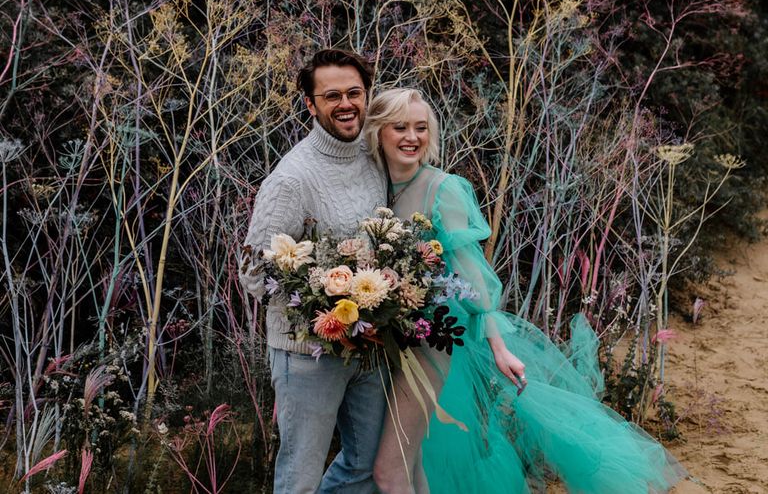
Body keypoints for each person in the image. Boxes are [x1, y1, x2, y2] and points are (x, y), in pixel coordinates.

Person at [364, 88, 686, 494]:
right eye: (400, 127)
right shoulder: (373, 188)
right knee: (417, 464)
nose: (412, 137)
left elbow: (473, 279)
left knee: (390, 469)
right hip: (384, 339)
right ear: (378, 132)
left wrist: (499, 347)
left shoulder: (442, 190)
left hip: (432, 342)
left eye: (420, 128)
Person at [239, 48, 388, 494]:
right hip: (306, 354)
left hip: (368, 345)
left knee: (364, 465)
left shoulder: (372, 154)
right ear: (311, 104)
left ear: (367, 95)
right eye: (332, 96)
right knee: (300, 477)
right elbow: (252, 271)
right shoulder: (292, 179)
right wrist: (320, 309)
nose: (346, 104)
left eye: (354, 92)